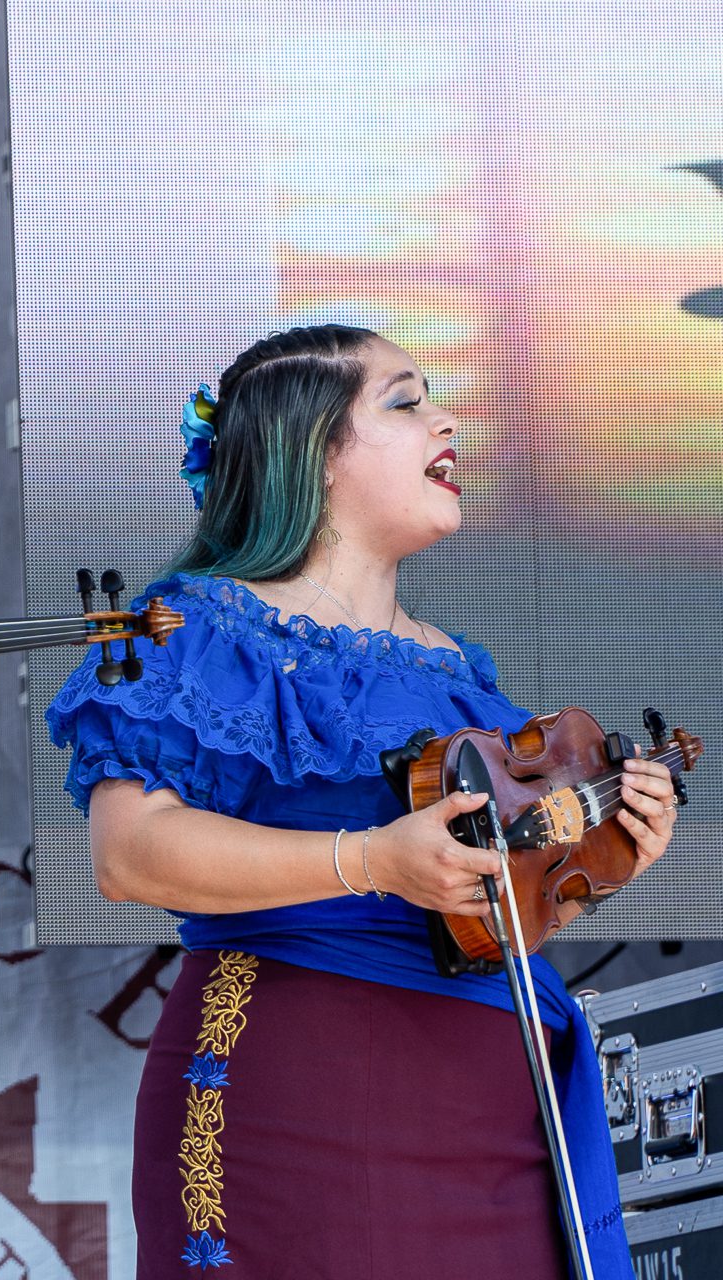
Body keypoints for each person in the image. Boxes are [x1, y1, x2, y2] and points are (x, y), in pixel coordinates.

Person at [46, 324, 679, 1278]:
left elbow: (491, 893)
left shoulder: (460, 675)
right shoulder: (194, 626)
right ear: (311, 451)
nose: (447, 421)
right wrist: (373, 860)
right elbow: (129, 855)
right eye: (406, 401)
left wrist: (609, 839)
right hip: (299, 1082)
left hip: (498, 1112)